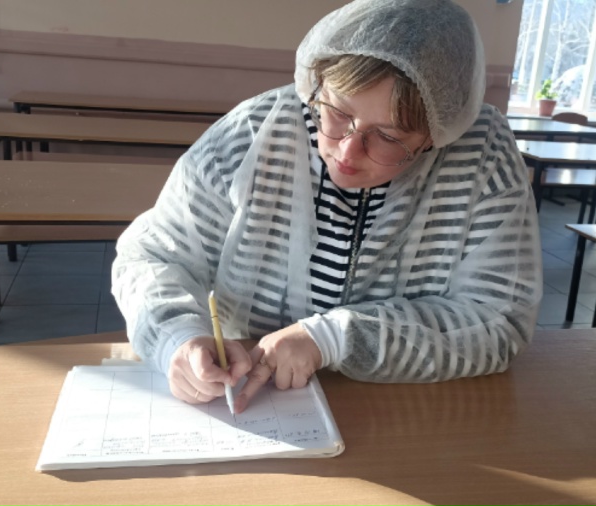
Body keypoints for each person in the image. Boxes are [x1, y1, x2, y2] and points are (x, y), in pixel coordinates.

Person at [112, 0, 542, 414]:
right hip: (246, 394)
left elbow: (499, 319)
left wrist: (335, 338)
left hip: (407, 409)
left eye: (388, 136)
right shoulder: (251, 135)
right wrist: (178, 335)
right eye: (336, 111)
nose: (347, 151)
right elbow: (151, 257)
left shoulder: (481, 158)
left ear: (435, 135)